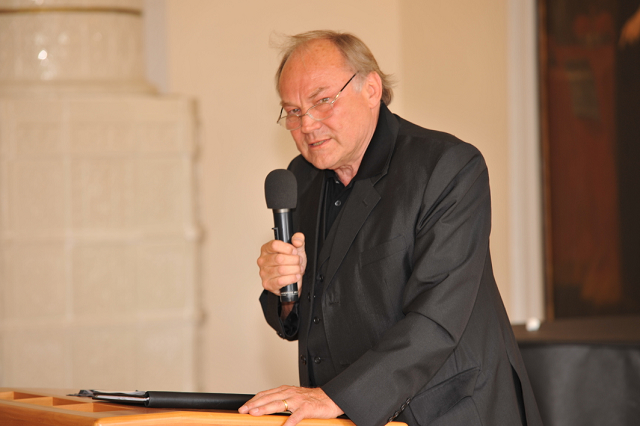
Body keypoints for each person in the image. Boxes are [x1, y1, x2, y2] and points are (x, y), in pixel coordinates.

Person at [239, 30, 542, 426]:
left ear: (371, 90)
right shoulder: (302, 177)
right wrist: (284, 291)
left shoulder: (446, 168)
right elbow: (309, 320)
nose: (307, 124)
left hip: (452, 411)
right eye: (293, 111)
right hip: (346, 414)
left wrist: (336, 397)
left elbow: (437, 318)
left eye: (322, 101)